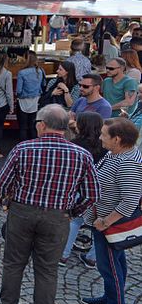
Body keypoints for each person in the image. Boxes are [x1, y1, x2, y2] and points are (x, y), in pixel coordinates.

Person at [0, 104, 99, 304]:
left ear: (42, 125)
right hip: (57, 216)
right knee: (47, 269)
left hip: (22, 212)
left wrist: (4, 202)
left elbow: (1, 182)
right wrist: (72, 211)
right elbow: (93, 193)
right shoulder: (82, 155)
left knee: (13, 264)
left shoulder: (24, 148)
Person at [81, 118, 142, 304]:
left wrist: (106, 222)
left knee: (109, 267)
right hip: (103, 220)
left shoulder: (128, 162)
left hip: (110, 225)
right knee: (117, 263)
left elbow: (131, 199)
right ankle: (110, 297)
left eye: (104, 135)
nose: (99, 137)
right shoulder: (115, 153)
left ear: (117, 139)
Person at [60, 111, 105, 267]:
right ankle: (92, 258)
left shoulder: (75, 145)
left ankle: (63, 254)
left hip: (79, 187)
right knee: (99, 224)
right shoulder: (105, 145)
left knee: (75, 220)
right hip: (100, 188)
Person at [16, 51, 45, 141]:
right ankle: (33, 145)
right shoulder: (40, 71)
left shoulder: (22, 73)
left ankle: (23, 146)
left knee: (23, 127)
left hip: (23, 101)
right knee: (33, 126)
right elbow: (43, 85)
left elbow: (19, 90)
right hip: (35, 100)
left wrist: (19, 95)